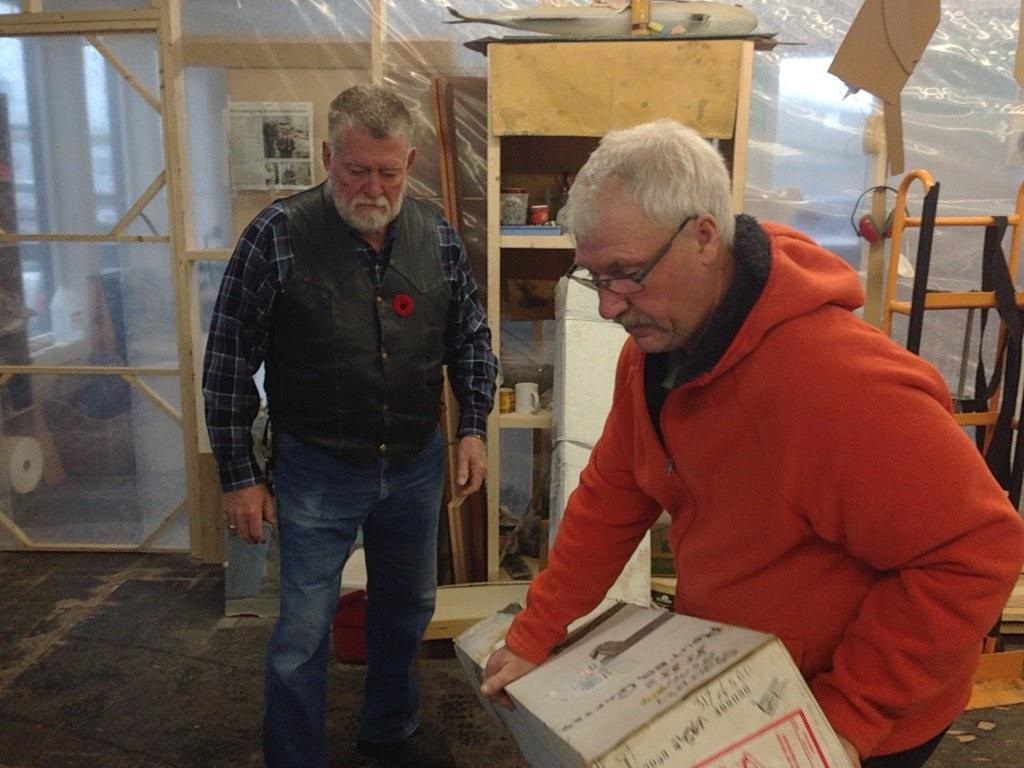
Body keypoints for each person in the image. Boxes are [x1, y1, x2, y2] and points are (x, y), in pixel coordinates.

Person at [479, 118, 1024, 768]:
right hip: (748, 683)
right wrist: (534, 634)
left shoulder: (831, 383)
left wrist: (847, 720)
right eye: (595, 276)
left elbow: (976, 551)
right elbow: (612, 497)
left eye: (626, 274)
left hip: (856, 715)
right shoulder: (660, 352)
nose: (608, 307)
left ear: (704, 236)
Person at [203, 84, 497, 768]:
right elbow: (226, 362)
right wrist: (240, 477)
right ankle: (296, 757)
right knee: (302, 632)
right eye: (355, 169)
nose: (372, 187)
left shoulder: (438, 237)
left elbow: (470, 337)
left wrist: (474, 424)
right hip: (315, 467)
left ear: (412, 160)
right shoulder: (275, 237)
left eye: (388, 172)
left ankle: (389, 730)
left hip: (415, 464)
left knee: (406, 611)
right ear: (329, 154)